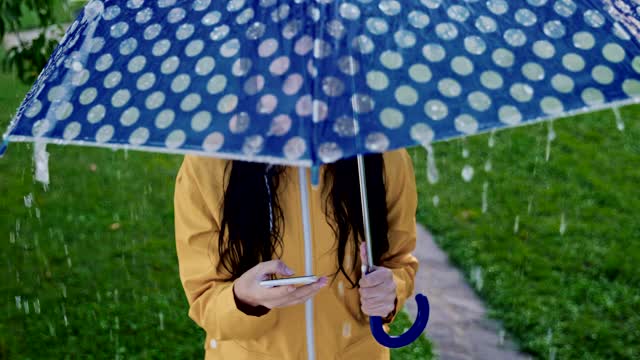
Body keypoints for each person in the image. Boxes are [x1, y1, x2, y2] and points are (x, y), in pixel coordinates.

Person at [174, 149, 419, 359]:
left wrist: (390, 290)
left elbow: (399, 261)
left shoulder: (381, 155)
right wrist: (243, 299)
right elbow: (204, 299)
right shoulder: (208, 164)